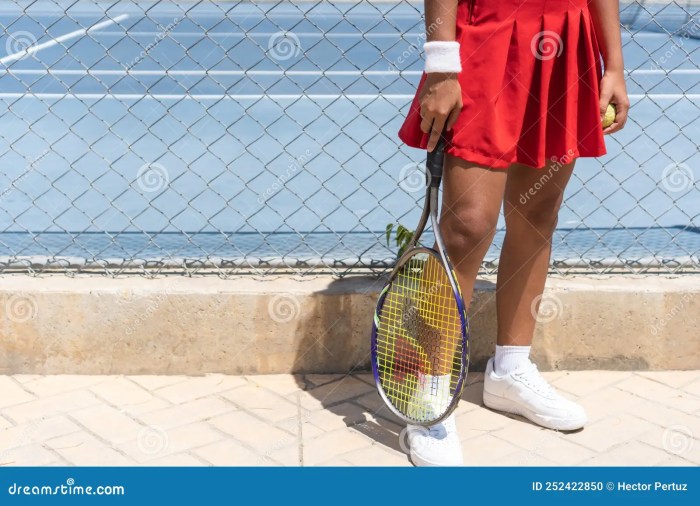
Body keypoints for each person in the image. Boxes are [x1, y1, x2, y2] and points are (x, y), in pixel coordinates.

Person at [398, 0, 629, 466]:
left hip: (566, 37)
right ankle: (429, 393)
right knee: (466, 227)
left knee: (537, 212)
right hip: (488, 32)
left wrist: (614, 64)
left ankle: (510, 369)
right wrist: (442, 65)